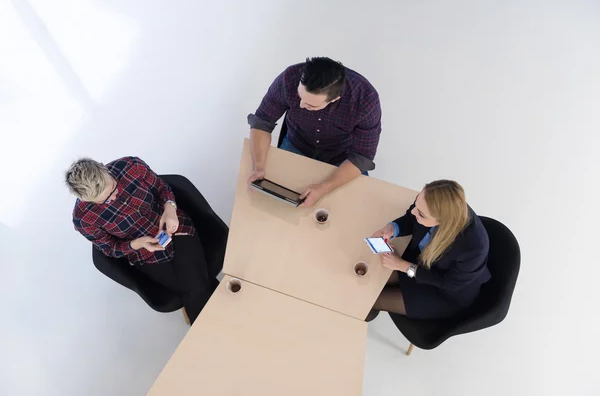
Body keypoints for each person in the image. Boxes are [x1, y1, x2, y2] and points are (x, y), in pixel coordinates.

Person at [66, 157, 220, 324]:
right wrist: (137, 244)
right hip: (145, 254)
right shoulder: (83, 219)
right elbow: (109, 248)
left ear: (105, 168)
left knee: (191, 289)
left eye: (113, 188)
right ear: (85, 200)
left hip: (175, 228)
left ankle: (209, 340)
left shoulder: (132, 166)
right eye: (105, 200)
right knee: (195, 286)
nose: (114, 197)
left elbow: (162, 188)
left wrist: (170, 208)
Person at [247, 57, 382, 207]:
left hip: (342, 157)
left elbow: (361, 157)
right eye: (300, 96)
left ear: (335, 99)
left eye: (311, 105)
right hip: (297, 144)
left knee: (351, 207)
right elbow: (262, 122)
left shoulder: (365, 99)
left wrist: (325, 188)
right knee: (275, 205)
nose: (301, 105)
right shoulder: (289, 78)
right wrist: (258, 166)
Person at [368, 180, 491, 321]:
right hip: (422, 263)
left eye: (421, 214)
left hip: (442, 292)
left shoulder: (473, 249)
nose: (414, 212)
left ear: (443, 221)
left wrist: (403, 266)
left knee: (371, 301)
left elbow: (449, 283)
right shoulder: (434, 203)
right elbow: (411, 219)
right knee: (371, 282)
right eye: (417, 201)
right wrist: (392, 228)